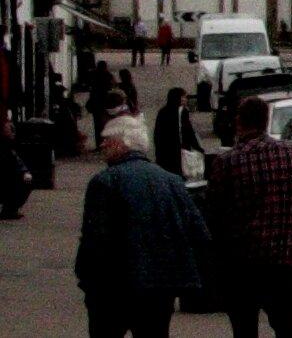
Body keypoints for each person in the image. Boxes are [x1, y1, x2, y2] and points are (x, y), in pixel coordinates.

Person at [75, 115, 211, 338]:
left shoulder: (105, 182)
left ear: (122, 143)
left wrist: (85, 276)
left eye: (107, 140)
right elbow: (198, 232)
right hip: (160, 288)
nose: (102, 145)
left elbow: (94, 238)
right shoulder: (172, 181)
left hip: (113, 287)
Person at [208, 97, 292, 338]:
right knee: (290, 330)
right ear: (266, 121)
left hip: (242, 266)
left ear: (239, 123)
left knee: (244, 330)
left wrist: (217, 265)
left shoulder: (227, 163)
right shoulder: (290, 154)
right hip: (285, 263)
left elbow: (214, 218)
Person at [154, 87, 204, 178]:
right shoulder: (175, 112)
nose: (186, 99)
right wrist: (198, 147)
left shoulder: (167, 111)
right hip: (174, 151)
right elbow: (188, 131)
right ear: (177, 98)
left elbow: (188, 131)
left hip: (173, 151)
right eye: (184, 97)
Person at [0, 118, 32, 219]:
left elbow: (16, 162)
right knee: (21, 183)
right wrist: (24, 172)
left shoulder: (9, 146)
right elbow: (14, 162)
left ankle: (10, 208)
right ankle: (10, 209)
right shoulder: (7, 146)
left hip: (8, 177)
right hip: (7, 179)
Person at [86, 64, 116, 148]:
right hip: (105, 103)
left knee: (97, 125)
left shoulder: (94, 75)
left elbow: (90, 87)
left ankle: (99, 144)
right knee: (106, 124)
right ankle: (106, 143)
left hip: (96, 103)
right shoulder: (108, 76)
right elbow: (113, 86)